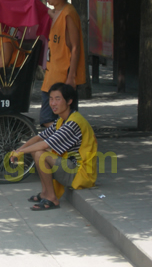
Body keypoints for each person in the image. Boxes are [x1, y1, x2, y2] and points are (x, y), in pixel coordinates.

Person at [10, 83, 97, 211]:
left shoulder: (73, 123)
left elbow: (46, 144)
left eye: (57, 99)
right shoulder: (62, 120)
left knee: (41, 153)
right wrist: (19, 150)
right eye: (50, 99)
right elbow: (40, 137)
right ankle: (45, 193)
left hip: (80, 172)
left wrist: (21, 152)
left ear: (69, 101)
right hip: (70, 166)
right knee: (36, 151)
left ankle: (52, 198)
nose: (53, 103)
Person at [41, 0, 86, 127]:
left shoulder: (69, 14)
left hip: (62, 77)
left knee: (61, 120)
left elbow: (75, 47)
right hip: (51, 76)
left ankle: (65, 148)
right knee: (49, 119)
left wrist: (71, 77)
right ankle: (59, 147)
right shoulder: (57, 12)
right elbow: (53, 13)